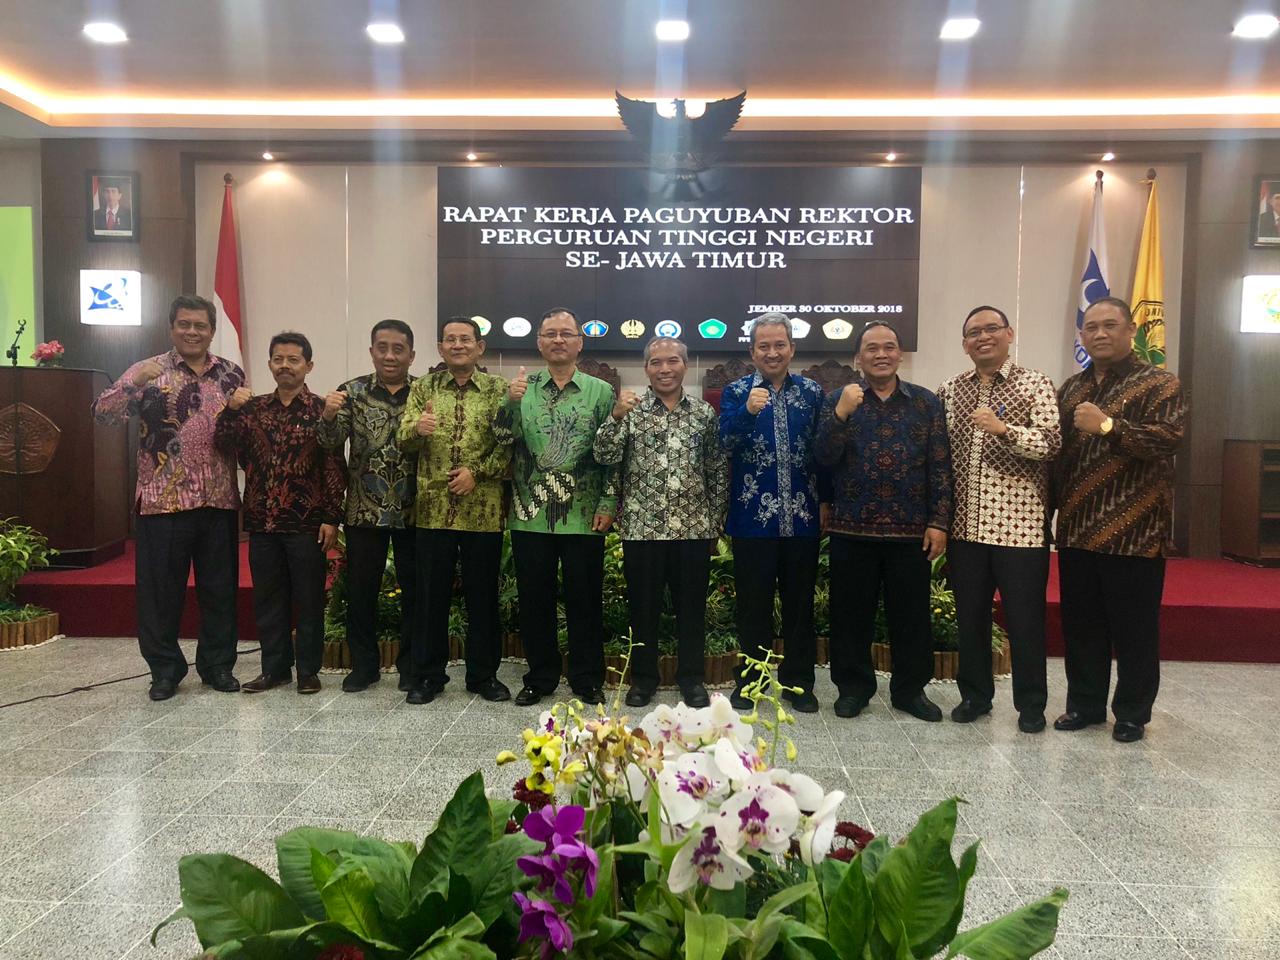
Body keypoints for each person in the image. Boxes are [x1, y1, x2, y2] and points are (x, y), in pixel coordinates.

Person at [92, 295, 245, 701]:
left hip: (217, 499)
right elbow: (103, 414)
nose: (192, 331)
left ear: (211, 331)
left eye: (200, 325)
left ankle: (217, 666)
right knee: (160, 595)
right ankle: (164, 670)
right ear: (171, 327)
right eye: (184, 324)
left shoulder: (231, 374)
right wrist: (133, 383)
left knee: (219, 591)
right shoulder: (147, 370)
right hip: (163, 501)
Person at [1052, 296, 1186, 743]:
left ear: (1131, 330)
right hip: (1078, 529)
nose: (1100, 334)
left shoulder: (1159, 383)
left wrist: (1109, 426)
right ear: (1082, 336)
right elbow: (1058, 457)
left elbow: (1167, 440)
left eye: (1110, 325)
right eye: (1091, 327)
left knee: (1135, 629)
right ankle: (1085, 705)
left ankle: (1132, 712)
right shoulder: (1071, 388)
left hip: (1135, 532)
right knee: (1082, 626)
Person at [816, 319, 952, 722]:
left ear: (899, 354)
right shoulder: (839, 399)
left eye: (889, 347)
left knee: (911, 617)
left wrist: (939, 521)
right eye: (871, 348)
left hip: (911, 531)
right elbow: (822, 458)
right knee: (849, 615)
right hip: (851, 528)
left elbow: (940, 466)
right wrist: (840, 415)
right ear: (858, 357)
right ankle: (853, 689)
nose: (881, 354)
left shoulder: (925, 403)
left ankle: (910, 691)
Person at [936, 306, 1060, 733]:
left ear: (1009, 334)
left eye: (991, 329)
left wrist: (1005, 430)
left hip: (1019, 530)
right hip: (964, 529)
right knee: (970, 618)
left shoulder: (1035, 383)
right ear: (964, 344)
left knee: (1025, 621)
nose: (983, 337)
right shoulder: (950, 390)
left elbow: (1050, 444)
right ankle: (975, 696)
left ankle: (1031, 705)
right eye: (974, 332)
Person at [594, 336, 727, 709]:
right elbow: (604, 456)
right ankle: (643, 680)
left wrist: (716, 522)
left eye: (672, 361)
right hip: (643, 530)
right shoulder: (631, 411)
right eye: (656, 362)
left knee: (691, 611)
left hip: (693, 529)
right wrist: (615, 417)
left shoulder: (703, 413)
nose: (665, 369)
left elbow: (716, 468)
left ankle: (692, 680)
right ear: (646, 369)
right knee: (643, 610)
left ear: (685, 365)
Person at [494, 307, 618, 707]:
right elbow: (501, 440)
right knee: (535, 601)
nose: (558, 340)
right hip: (531, 514)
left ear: (580, 342)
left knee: (586, 600)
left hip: (583, 514)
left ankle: (587, 678)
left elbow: (613, 453)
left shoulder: (601, 392)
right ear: (539, 343)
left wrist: (608, 501)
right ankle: (540, 677)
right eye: (550, 334)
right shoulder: (521, 388)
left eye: (566, 333)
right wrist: (509, 404)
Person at [215, 332, 345, 695]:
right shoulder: (252, 409)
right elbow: (224, 444)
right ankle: (275, 669)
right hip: (262, 521)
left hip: (307, 523)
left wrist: (331, 517)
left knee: (309, 599)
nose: (285, 366)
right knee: (268, 600)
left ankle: (308, 671)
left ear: (309, 365)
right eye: (278, 359)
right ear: (270, 364)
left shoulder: (322, 410)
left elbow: (334, 466)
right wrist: (230, 409)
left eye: (293, 359)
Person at [397, 316, 511, 705]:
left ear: (480, 347)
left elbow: (509, 443)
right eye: (450, 339)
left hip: (483, 511)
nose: (458, 345)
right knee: (430, 598)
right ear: (440, 347)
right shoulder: (422, 388)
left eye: (465, 339)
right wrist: (417, 430)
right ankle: (428, 676)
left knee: (482, 598)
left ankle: (484, 675)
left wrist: (476, 473)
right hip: (433, 511)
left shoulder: (498, 390)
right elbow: (402, 440)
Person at [719, 312, 828, 713]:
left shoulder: (812, 392)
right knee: (754, 606)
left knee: (800, 606)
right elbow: (723, 442)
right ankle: (751, 681)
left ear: (792, 348)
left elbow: (824, 451)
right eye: (763, 346)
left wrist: (826, 501)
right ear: (752, 351)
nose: (772, 352)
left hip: (802, 517)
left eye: (779, 344)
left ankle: (799, 683)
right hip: (753, 519)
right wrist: (747, 412)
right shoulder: (737, 391)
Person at [317, 319, 418, 693]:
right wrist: (328, 415)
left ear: (411, 355)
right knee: (361, 593)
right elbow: (329, 444)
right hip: (364, 510)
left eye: (398, 349)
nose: (390, 356)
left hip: (415, 511)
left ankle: (411, 667)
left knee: (416, 593)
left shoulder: (424, 392)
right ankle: (364, 667)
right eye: (382, 348)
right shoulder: (352, 392)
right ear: (372, 351)